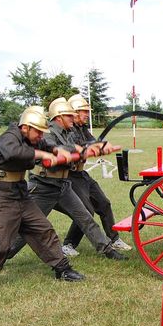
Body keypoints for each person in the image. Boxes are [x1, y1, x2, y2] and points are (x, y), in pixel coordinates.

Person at [0, 106, 85, 294]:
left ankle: (63, 269)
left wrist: (64, 150)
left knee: (43, 230)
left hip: (20, 193)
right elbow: (13, 153)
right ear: (25, 127)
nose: (40, 136)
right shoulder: (9, 137)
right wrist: (42, 155)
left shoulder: (33, 138)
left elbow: (48, 146)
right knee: (0, 244)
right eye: (37, 131)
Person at [5, 98, 127, 262]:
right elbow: (56, 150)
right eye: (69, 115)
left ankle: (107, 249)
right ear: (59, 117)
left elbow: (82, 146)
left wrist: (97, 148)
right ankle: (3, 255)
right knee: (29, 229)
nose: (73, 118)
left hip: (63, 186)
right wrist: (79, 150)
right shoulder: (47, 132)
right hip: (43, 188)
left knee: (86, 218)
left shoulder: (68, 133)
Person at [61, 94, 131, 257]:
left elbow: (93, 142)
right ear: (75, 112)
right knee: (86, 210)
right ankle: (69, 244)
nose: (87, 114)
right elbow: (78, 147)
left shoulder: (82, 128)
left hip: (81, 173)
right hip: (70, 175)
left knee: (104, 204)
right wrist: (94, 147)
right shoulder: (68, 130)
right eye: (84, 111)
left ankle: (114, 239)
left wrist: (104, 146)